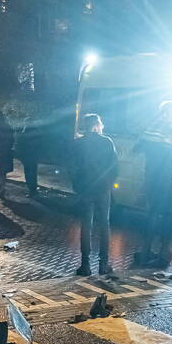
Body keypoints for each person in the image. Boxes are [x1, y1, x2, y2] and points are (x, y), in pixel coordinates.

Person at [134, 100, 172, 268]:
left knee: (153, 213)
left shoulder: (150, 128)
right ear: (167, 114)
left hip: (152, 177)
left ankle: (146, 249)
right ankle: (163, 250)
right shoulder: (169, 128)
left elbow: (138, 147)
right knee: (170, 215)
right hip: (168, 179)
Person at [72, 113, 118, 276]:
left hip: (85, 188)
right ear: (98, 125)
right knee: (104, 225)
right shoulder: (107, 142)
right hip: (103, 189)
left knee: (86, 225)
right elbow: (114, 167)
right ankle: (103, 264)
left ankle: (85, 265)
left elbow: (73, 166)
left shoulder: (78, 144)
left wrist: (77, 186)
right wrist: (109, 183)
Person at [16, 116, 47, 197]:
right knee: (33, 172)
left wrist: (20, 154)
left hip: (27, 156)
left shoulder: (25, 132)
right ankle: (33, 189)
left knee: (29, 173)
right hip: (33, 156)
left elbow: (21, 144)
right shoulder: (37, 132)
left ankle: (32, 190)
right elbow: (41, 144)